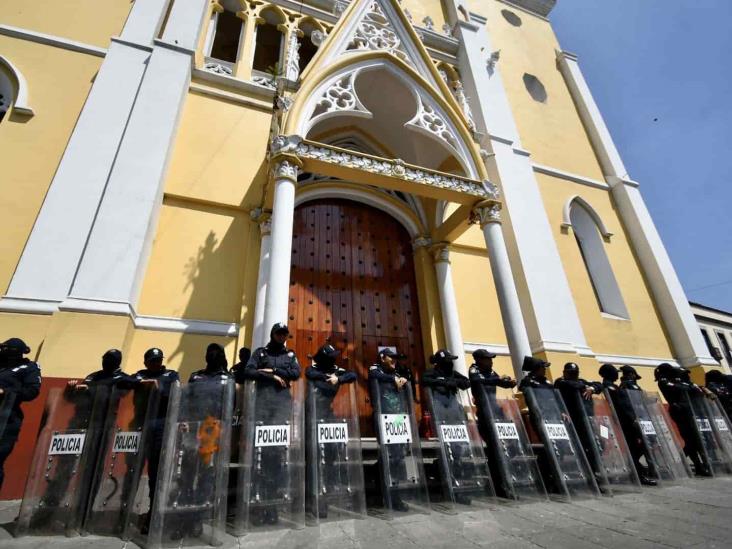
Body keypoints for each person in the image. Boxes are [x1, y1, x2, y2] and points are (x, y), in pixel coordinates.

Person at [236, 323, 300, 525]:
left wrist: (269, 369)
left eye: (284, 334)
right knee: (260, 456)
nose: (282, 337)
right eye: (278, 333)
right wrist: (274, 375)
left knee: (276, 457)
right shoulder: (260, 352)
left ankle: (271, 506)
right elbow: (248, 371)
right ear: (272, 334)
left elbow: (296, 373)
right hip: (262, 408)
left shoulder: (290, 355)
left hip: (280, 408)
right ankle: (258, 505)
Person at [305, 343, 356, 518]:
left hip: (327, 414)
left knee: (331, 454)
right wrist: (329, 377)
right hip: (312, 416)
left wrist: (338, 379)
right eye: (331, 356)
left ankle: (327, 492)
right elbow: (310, 374)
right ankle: (315, 499)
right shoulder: (314, 368)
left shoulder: (337, 370)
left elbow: (352, 375)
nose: (334, 358)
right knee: (315, 457)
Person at [133, 348, 180, 533]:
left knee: (156, 471)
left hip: (161, 425)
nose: (156, 364)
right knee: (133, 469)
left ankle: (154, 512)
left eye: (158, 360)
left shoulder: (170, 374)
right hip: (141, 424)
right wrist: (145, 382)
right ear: (146, 362)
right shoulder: (140, 374)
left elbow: (173, 392)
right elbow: (126, 382)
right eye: (152, 361)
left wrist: (156, 387)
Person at [421, 349, 473, 505]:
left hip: (454, 417)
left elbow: (466, 382)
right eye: (448, 361)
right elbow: (424, 380)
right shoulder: (432, 373)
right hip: (441, 417)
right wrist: (443, 381)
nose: (451, 363)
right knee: (446, 451)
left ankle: (457, 486)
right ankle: (447, 485)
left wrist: (454, 382)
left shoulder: (453, 373)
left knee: (457, 452)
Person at [368, 348, 411, 512]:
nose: (394, 360)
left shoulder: (397, 373)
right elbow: (376, 377)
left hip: (398, 419)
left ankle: (393, 492)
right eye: (391, 357)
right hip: (383, 418)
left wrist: (403, 380)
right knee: (389, 456)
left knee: (398, 457)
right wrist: (394, 378)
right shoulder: (375, 369)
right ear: (382, 357)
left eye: (396, 358)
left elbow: (407, 381)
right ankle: (387, 493)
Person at [600, 364, 657, 486]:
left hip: (628, 419)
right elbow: (622, 405)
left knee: (639, 445)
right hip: (625, 420)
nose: (617, 374)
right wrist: (632, 418)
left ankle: (637, 468)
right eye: (614, 372)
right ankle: (639, 474)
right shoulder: (609, 386)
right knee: (634, 446)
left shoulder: (614, 386)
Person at [655, 363, 712, 476]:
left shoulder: (680, 381)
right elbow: (678, 388)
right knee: (691, 439)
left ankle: (685, 463)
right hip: (680, 412)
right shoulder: (664, 381)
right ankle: (696, 465)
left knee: (694, 440)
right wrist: (687, 385)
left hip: (690, 411)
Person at [0, 338, 41, 490]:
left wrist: (6, 392)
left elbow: (32, 391)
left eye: (6, 349)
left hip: (6, 419)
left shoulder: (28, 368)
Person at [468, 349, 516, 439]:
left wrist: (509, 383)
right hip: (484, 408)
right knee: (490, 436)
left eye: (491, 359)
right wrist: (497, 380)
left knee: (507, 434)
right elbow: (476, 380)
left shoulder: (491, 371)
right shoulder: (474, 370)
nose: (491, 361)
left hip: (495, 407)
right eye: (488, 359)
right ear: (479, 360)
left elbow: (499, 381)